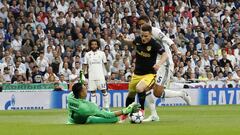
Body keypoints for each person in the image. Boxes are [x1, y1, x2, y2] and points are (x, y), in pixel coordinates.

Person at [136, 15, 192, 122]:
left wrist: (176, 51)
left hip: (164, 64)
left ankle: (181, 94)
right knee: (145, 88)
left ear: (149, 22)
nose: (141, 26)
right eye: (140, 25)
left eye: (143, 24)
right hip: (154, 64)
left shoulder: (155, 31)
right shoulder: (144, 35)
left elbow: (168, 40)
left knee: (157, 92)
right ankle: (154, 115)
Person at [119, 24, 168, 122]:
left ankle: (142, 110)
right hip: (137, 74)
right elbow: (132, 43)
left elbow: (165, 54)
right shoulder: (138, 40)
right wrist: (123, 40)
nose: (143, 38)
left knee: (139, 88)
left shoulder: (154, 44)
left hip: (149, 74)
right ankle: (126, 113)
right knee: (131, 95)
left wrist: (158, 64)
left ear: (150, 35)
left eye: (146, 36)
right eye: (142, 35)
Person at [67, 82, 141, 124]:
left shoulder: (70, 97)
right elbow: (108, 115)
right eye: (85, 89)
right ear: (81, 93)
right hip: (86, 121)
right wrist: (126, 110)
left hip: (70, 122)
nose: (87, 90)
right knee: (114, 119)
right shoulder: (87, 108)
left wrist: (80, 84)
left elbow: (75, 90)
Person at [83, 39, 110, 110]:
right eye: (92, 44)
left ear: (97, 45)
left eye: (95, 44)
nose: (94, 45)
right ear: (90, 45)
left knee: (104, 90)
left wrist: (108, 72)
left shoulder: (102, 53)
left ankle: (106, 107)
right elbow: (85, 65)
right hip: (91, 76)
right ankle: (94, 108)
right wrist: (82, 75)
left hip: (100, 76)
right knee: (92, 92)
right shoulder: (87, 54)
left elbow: (105, 63)